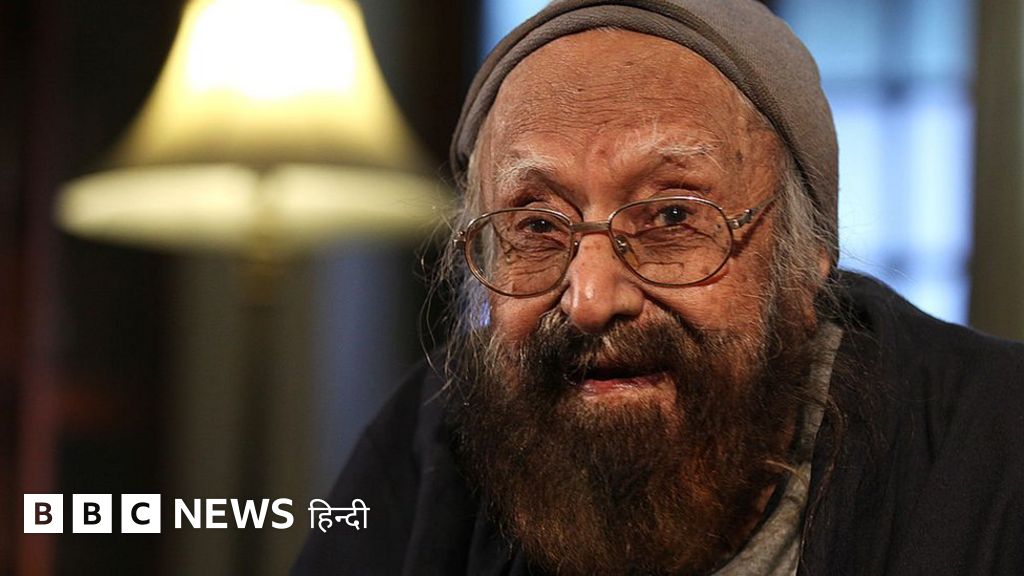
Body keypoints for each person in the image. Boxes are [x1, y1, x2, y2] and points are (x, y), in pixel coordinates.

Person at [294, 1, 1024, 574]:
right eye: (537, 225)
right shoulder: (427, 448)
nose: (589, 299)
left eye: (673, 217)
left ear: (808, 257)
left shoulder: (994, 446)